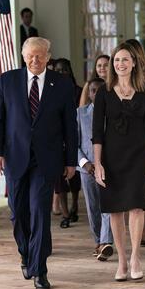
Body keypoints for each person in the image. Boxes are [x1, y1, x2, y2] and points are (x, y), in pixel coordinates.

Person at [0, 37, 77, 289]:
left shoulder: (61, 85)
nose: (35, 60)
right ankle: (26, 253)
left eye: (40, 56)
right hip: (15, 157)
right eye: (30, 56)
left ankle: (40, 269)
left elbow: (70, 127)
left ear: (49, 57)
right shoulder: (7, 81)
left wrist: (70, 160)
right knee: (18, 213)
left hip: (46, 160)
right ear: (22, 55)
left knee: (40, 212)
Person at [92, 42, 145, 282]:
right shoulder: (104, 92)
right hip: (111, 158)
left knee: (137, 207)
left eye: (125, 60)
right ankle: (121, 260)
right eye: (117, 60)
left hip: (139, 157)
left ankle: (135, 258)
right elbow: (97, 133)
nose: (120, 64)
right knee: (115, 210)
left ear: (134, 64)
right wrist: (97, 164)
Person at [77, 77, 113, 261]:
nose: (96, 93)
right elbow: (73, 143)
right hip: (87, 169)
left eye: (100, 90)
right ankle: (98, 240)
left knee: (108, 205)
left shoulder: (113, 113)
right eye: (93, 90)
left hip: (109, 167)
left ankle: (106, 243)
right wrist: (85, 163)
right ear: (88, 92)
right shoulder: (80, 113)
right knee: (93, 207)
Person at [52, 58, 82, 227]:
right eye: (57, 69)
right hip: (55, 138)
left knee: (74, 174)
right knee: (58, 177)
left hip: (74, 135)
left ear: (69, 71)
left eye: (64, 69)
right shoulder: (48, 89)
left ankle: (75, 205)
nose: (61, 72)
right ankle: (64, 214)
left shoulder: (78, 90)